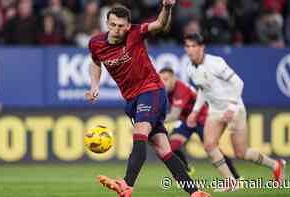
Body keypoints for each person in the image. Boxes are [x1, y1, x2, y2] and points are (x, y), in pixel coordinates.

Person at [86, 3, 211, 197]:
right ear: (107, 23)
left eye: (121, 25)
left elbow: (160, 24)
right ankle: (195, 192)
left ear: (128, 26)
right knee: (163, 149)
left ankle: (127, 185)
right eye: (113, 25)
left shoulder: (136, 33)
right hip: (131, 100)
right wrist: (95, 85)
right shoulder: (96, 43)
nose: (117, 29)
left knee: (140, 133)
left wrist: (167, 8)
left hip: (151, 90)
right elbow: (95, 62)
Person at [184, 32, 286, 191]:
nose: (190, 50)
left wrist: (231, 107)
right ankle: (231, 181)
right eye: (187, 46)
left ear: (201, 47)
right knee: (209, 145)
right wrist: (195, 111)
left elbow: (238, 82)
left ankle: (275, 165)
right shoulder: (190, 69)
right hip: (216, 111)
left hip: (235, 109)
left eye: (193, 46)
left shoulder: (215, 63)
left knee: (241, 152)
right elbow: (203, 90)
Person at [159, 67, 240, 180]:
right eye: (161, 79)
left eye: (166, 79)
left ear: (173, 78)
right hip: (187, 122)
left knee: (213, 150)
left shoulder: (181, 89)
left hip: (202, 120)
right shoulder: (166, 91)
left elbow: (174, 115)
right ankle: (187, 169)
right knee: (171, 146)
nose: (163, 82)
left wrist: (153, 120)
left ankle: (236, 177)